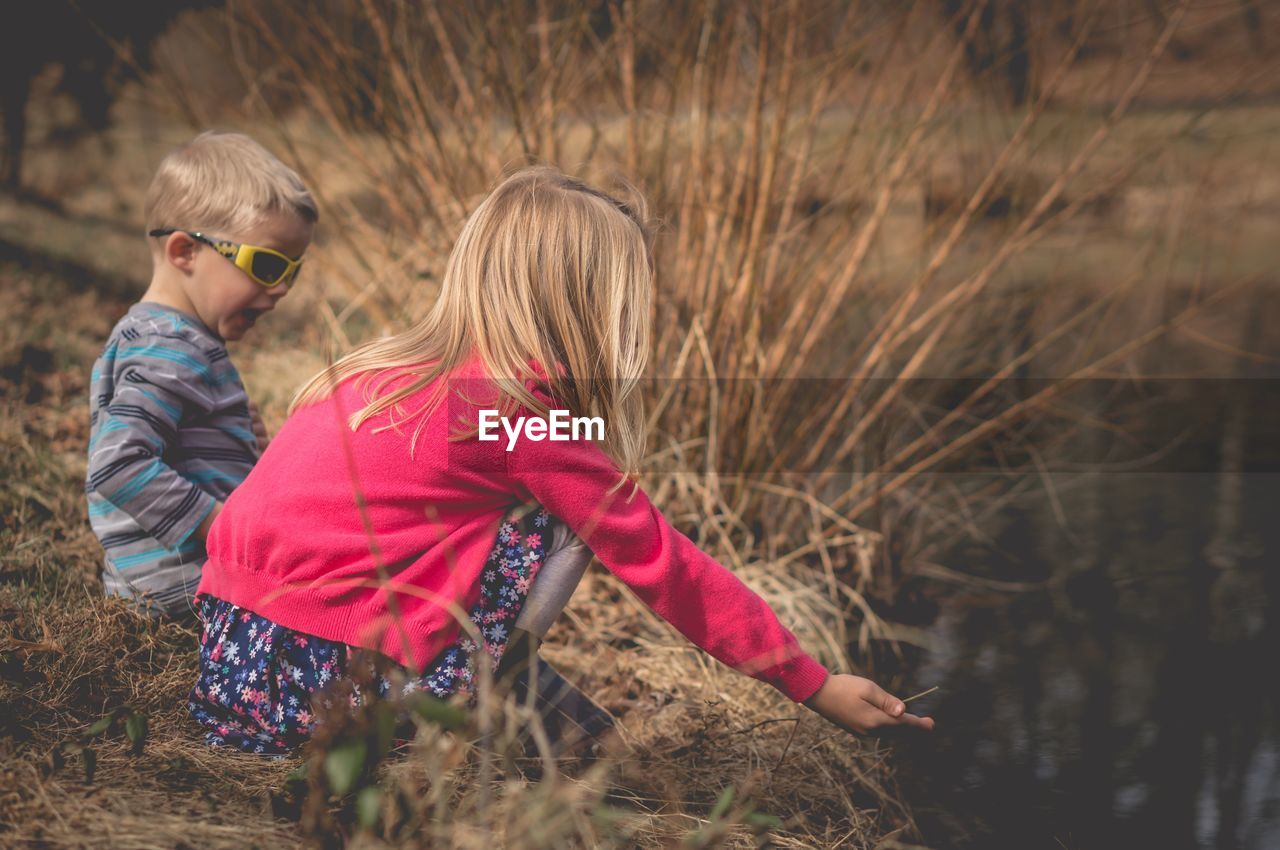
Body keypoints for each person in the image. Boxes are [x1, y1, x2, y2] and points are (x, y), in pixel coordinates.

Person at [186, 166, 933, 756]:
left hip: (235, 655)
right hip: (332, 686)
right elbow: (664, 562)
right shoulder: (517, 421)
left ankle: (529, 704)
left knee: (558, 494)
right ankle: (502, 694)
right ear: (584, 308)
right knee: (580, 519)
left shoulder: (379, 370)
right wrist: (812, 683)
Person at [85, 131, 316, 619]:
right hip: (185, 578)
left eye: (291, 272)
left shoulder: (156, 334)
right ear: (184, 251)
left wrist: (237, 445)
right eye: (267, 264)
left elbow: (175, 448)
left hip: (156, 576)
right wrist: (223, 528)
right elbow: (117, 463)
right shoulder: (172, 346)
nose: (280, 290)